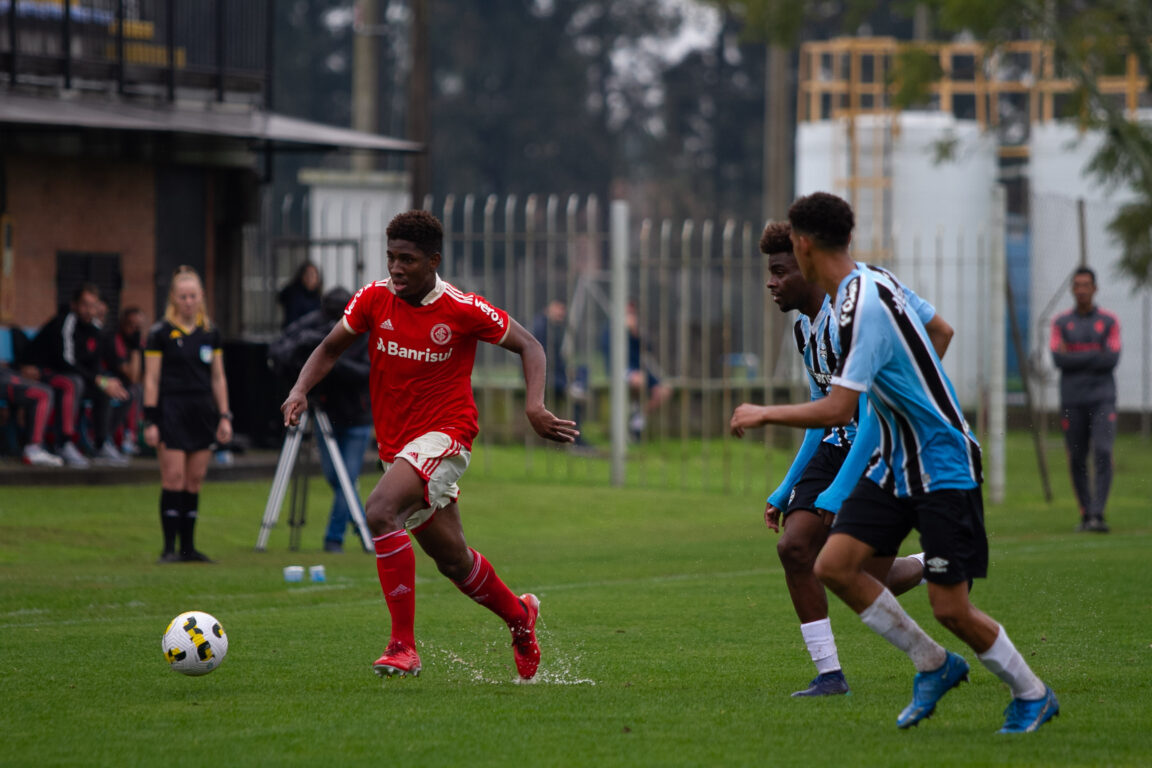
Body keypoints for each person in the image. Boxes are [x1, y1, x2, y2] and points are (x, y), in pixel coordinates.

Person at [731, 192, 1058, 734]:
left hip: (942, 460)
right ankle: (933, 663)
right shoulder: (867, 284)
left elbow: (840, 407)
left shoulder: (866, 309)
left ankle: (1033, 692)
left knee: (950, 609)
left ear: (806, 247)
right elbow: (931, 338)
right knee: (833, 566)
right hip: (895, 458)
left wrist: (765, 413)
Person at [281, 210, 578, 681]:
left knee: (379, 510)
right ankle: (521, 619)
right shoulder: (374, 299)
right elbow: (330, 347)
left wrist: (535, 407)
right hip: (398, 448)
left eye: (408, 260)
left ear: (433, 261)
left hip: (448, 435)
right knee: (453, 559)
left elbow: (531, 345)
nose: (396, 268)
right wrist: (300, 390)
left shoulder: (462, 308)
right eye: (391, 257)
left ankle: (402, 647)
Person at [757, 220, 950, 697]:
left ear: (805, 266)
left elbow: (866, 417)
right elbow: (824, 414)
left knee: (862, 579)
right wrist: (785, 490)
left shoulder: (851, 318)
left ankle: (931, 564)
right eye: (770, 272)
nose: (772, 282)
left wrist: (837, 492)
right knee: (794, 549)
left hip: (874, 448)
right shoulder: (804, 328)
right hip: (834, 448)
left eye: (780, 270)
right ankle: (830, 676)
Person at [270, 286, 373, 553]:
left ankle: (333, 538)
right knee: (338, 479)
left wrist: (332, 362)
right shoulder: (313, 325)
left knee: (346, 479)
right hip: (326, 413)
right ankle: (367, 530)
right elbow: (281, 349)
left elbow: (365, 371)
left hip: (358, 415)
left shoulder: (363, 329)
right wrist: (310, 348)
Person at [143, 266, 232, 564]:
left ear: (201, 297)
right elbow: (151, 380)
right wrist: (151, 419)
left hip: (202, 411)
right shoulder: (160, 334)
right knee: (174, 477)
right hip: (171, 409)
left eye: (193, 295)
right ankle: (169, 548)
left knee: (194, 480)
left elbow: (218, 378)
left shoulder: (210, 332)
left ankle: (188, 548)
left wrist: (224, 415)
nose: (189, 301)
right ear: (173, 298)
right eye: (183, 296)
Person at [21, 284, 130, 466]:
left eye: (93, 305)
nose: (89, 310)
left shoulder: (94, 328)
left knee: (111, 388)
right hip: (42, 371)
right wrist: (97, 379)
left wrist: (105, 380)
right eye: (85, 305)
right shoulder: (65, 322)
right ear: (75, 305)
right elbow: (66, 362)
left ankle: (101, 443)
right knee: (73, 383)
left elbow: (94, 364)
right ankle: (64, 442)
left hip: (69, 375)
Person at [1050, 266, 1120, 533]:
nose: (1081, 290)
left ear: (1094, 288)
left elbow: (1111, 359)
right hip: (1072, 399)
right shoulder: (1060, 323)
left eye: (1085, 285)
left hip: (1102, 398)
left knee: (1103, 452)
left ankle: (1098, 513)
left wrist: (1075, 357)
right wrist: (1094, 355)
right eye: (1076, 285)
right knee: (1077, 457)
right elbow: (1058, 359)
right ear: (1072, 289)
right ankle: (1086, 512)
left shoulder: (1109, 321)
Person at [600, 301, 672, 438]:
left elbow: (648, 348)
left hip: (638, 368)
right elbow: (607, 351)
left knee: (665, 390)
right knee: (639, 380)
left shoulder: (635, 329)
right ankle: (631, 410)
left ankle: (638, 417)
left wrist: (634, 333)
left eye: (632, 312)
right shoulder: (610, 328)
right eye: (627, 311)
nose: (629, 315)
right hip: (619, 369)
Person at [102, 306, 146, 456]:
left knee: (141, 389)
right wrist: (135, 349)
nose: (134, 330)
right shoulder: (116, 340)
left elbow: (146, 375)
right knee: (131, 392)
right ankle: (111, 439)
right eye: (131, 325)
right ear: (122, 324)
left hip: (124, 384)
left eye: (138, 327)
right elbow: (132, 375)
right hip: (104, 382)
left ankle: (134, 435)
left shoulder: (141, 343)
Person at [0, 364, 64, 466]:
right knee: (43, 394)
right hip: (4, 375)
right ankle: (33, 449)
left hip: (8, 372)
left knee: (46, 391)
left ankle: (34, 449)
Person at [279, 261, 323, 329]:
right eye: (307, 275)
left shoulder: (318, 297)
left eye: (313, 275)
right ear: (302, 277)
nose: (310, 279)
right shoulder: (294, 296)